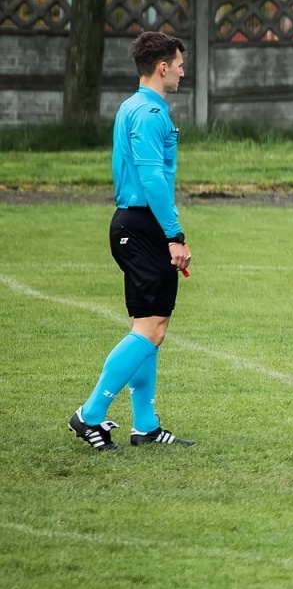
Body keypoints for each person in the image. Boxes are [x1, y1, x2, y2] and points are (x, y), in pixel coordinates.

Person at [69, 32, 195, 451]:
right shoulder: (148, 113)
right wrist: (173, 235)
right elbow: (152, 177)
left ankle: (145, 424)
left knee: (147, 327)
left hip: (136, 224)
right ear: (162, 67)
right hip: (142, 226)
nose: (182, 70)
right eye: (178, 63)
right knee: (152, 329)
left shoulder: (135, 106)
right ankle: (89, 414)